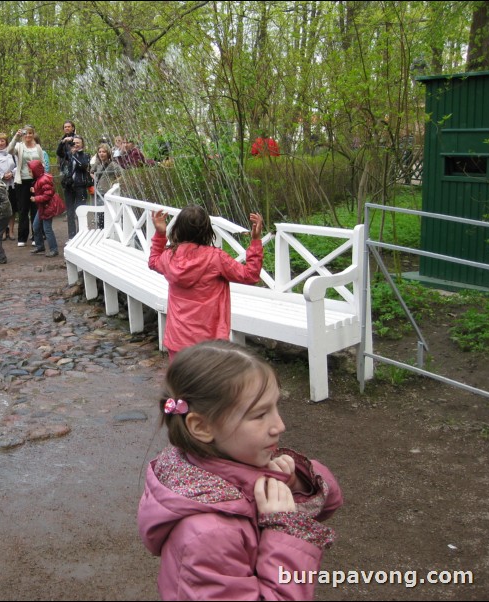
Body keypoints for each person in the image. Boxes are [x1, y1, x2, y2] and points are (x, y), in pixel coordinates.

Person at [137, 340, 344, 600]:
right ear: (202, 427)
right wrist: (284, 531)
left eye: (276, 407)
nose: (279, 425)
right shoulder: (209, 534)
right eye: (260, 415)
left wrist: (295, 483)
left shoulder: (227, 464)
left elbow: (331, 501)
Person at [149, 206, 264, 362]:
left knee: (180, 384)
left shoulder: (169, 257)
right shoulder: (216, 258)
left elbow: (153, 261)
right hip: (211, 343)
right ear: (207, 231)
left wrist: (160, 234)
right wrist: (256, 241)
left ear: (178, 229)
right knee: (208, 385)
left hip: (177, 341)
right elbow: (250, 275)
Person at [7, 125, 44, 247]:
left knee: (35, 208)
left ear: (33, 134)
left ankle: (36, 235)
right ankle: (22, 236)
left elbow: (42, 163)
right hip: (22, 180)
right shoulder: (19, 146)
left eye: (30, 133)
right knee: (23, 209)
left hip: (35, 180)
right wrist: (16, 137)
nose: (28, 136)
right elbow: (9, 150)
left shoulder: (37, 148)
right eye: (26, 133)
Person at [0, 132, 18, 242]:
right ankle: (3, 231)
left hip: (12, 183)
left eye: (3, 141)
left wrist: (12, 173)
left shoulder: (12, 152)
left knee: (12, 208)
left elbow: (17, 165)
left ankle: (11, 230)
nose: (0, 143)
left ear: (6, 142)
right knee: (1, 207)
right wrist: (1, 175)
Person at [27, 159, 59, 257]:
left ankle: (54, 249)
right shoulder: (40, 179)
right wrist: (35, 189)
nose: (29, 173)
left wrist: (36, 198)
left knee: (47, 228)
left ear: (35, 170)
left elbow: (48, 195)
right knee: (36, 226)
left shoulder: (43, 179)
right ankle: (40, 245)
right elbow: (43, 191)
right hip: (43, 207)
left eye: (30, 171)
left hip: (47, 207)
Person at [63, 135, 91, 240]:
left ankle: (81, 235)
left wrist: (75, 155)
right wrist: (64, 143)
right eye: (73, 143)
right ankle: (72, 236)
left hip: (80, 186)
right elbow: (59, 153)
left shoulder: (86, 155)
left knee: (80, 210)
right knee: (70, 212)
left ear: (82, 144)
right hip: (69, 186)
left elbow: (83, 165)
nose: (75, 145)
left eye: (78, 143)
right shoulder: (68, 155)